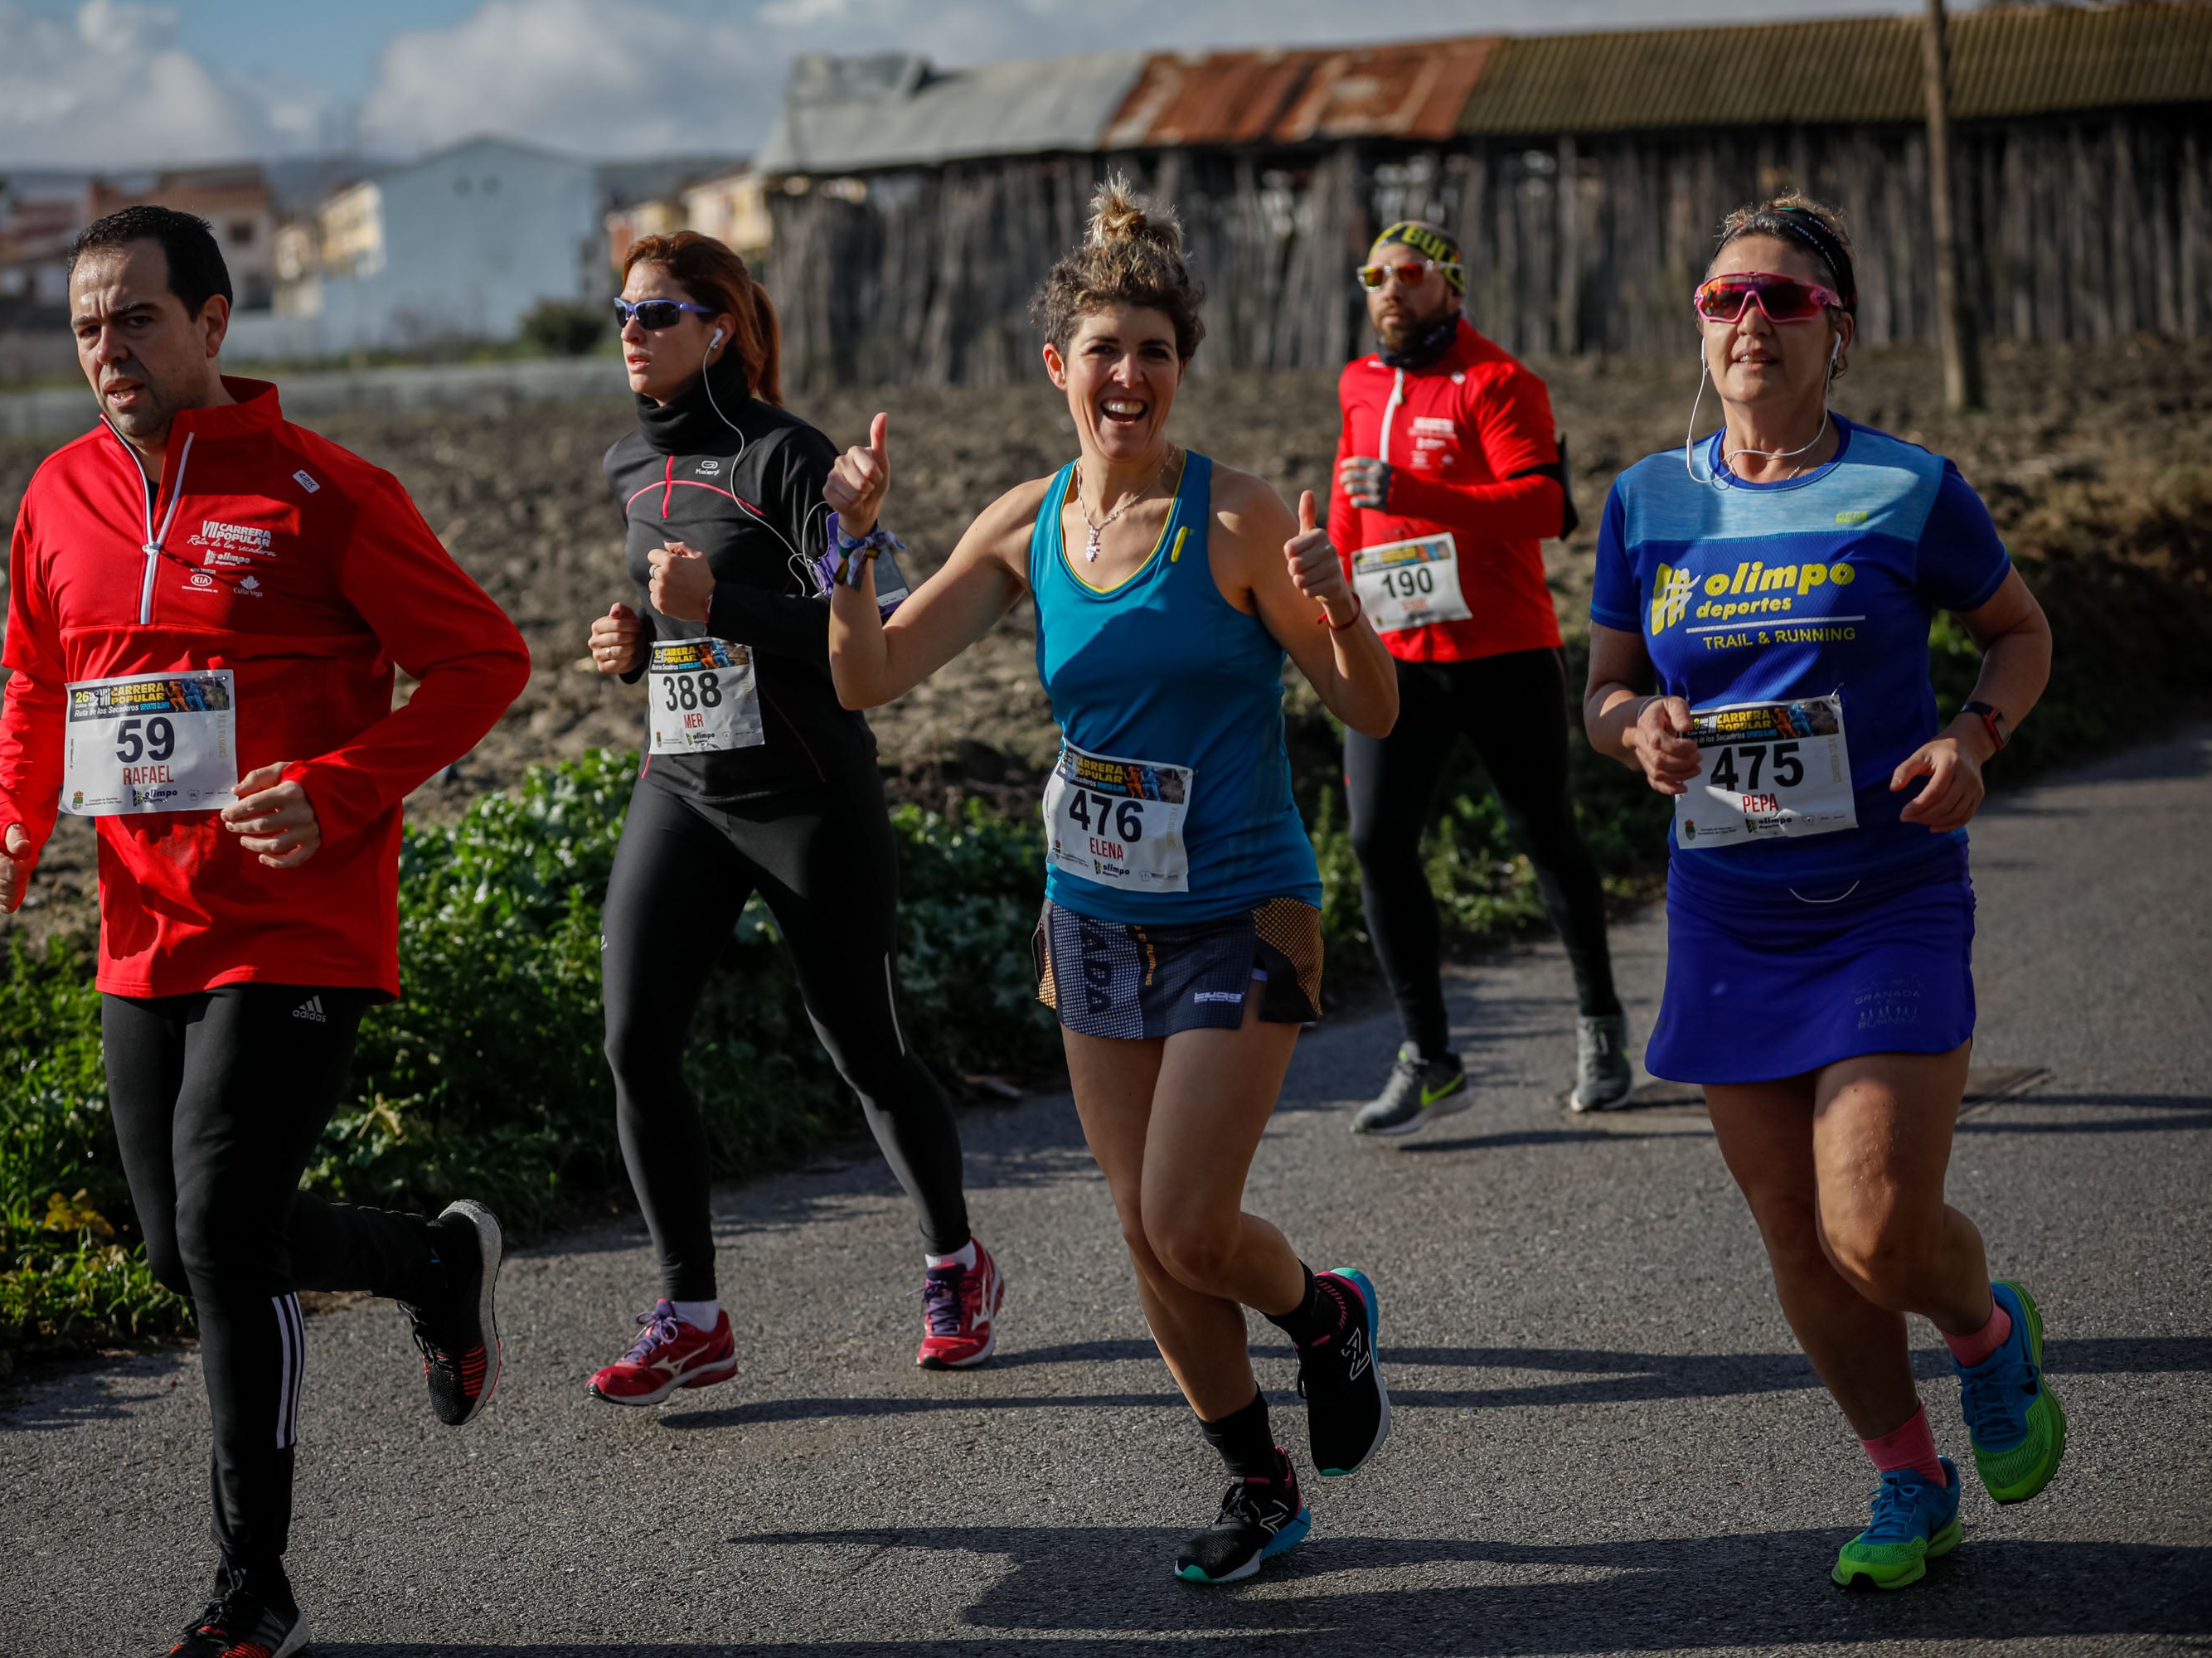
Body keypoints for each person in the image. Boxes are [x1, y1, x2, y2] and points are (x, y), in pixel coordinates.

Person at [0, 206, 531, 1657]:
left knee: (225, 1234)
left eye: (137, 319)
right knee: (183, 1250)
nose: (109, 348)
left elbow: (483, 658)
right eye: (89, 324)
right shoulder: (55, 497)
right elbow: (39, 683)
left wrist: (339, 793)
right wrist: (10, 823)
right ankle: (426, 1265)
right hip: (141, 928)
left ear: (213, 326)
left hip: (295, 922)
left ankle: (253, 1586)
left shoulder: (321, 491)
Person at [823, 179, 1400, 1585]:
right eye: (1104, 351)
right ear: (1059, 370)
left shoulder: (1241, 519)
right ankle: (1258, 1482)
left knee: (1192, 1222)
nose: (1128, 375)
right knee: (1147, 1238)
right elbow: (871, 675)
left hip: (1239, 912)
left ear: (1179, 368)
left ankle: (1324, 1317)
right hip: (1089, 923)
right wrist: (847, 549)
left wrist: (1341, 603)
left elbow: (1369, 711)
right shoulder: (1027, 526)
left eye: (1153, 350)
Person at [1583, 195, 2061, 1591]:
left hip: (1887, 897)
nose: (1747, 321)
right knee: (1796, 1237)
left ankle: (1985, 1331)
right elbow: (1606, 688)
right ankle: (1908, 1479)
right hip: (1729, 913)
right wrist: (1634, 731)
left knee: (1874, 1227)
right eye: (1724, 298)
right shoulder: (1647, 500)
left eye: (1780, 300)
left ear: (1832, 331)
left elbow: (2019, 633)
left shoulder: (1908, 487)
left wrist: (1973, 737)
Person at [580, 231, 1002, 1403]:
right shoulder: (628, 465)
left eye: (655, 314)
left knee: (867, 1051)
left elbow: (858, 642)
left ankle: (957, 1262)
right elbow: (676, 622)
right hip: (683, 789)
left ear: (718, 327)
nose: (630, 330)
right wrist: (635, 641)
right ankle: (692, 1312)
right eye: (621, 311)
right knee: (634, 1044)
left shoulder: (789, 458)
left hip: (808, 792)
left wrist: (722, 603)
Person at [1328, 220, 1631, 1135]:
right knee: (1378, 843)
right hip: (1394, 655)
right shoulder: (1357, 381)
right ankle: (1429, 1054)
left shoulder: (1500, 382)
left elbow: (1548, 505)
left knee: (1547, 837)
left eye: (1410, 275)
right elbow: (1350, 499)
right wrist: (1334, 620)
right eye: (1375, 274)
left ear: (1450, 287)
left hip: (1501, 651)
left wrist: (1415, 495)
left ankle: (1601, 1026)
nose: (1389, 290)